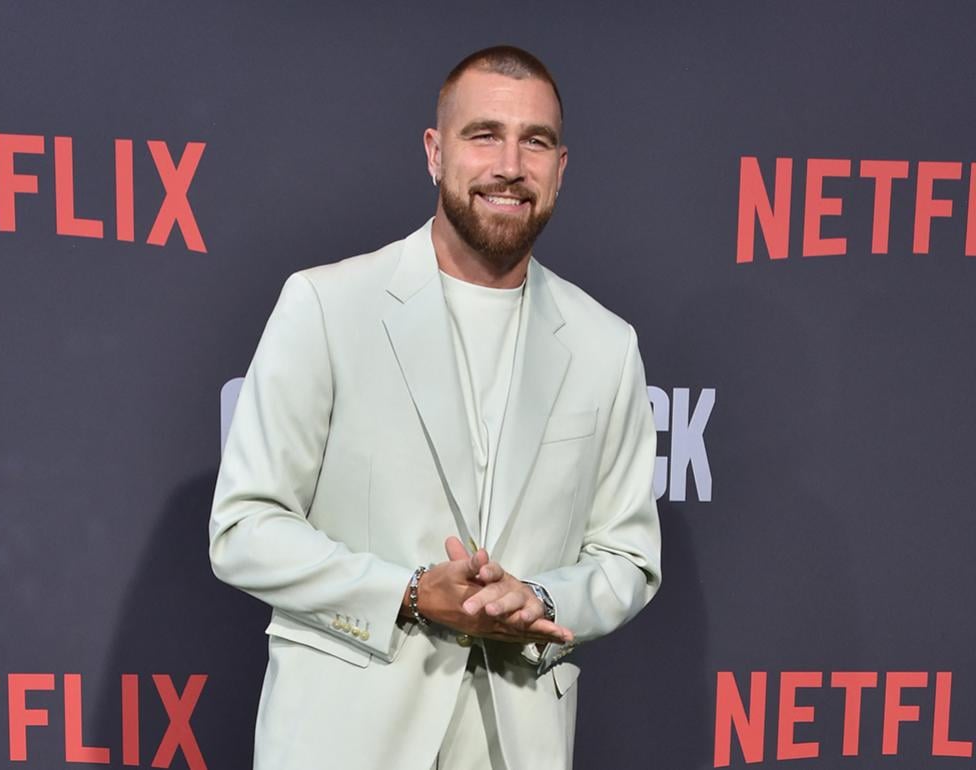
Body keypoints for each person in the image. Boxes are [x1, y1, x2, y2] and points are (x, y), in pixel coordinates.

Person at [209, 45, 661, 770]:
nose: (510, 164)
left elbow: (629, 559)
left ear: (561, 167)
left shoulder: (607, 344)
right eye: (483, 135)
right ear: (434, 151)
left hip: (518, 745)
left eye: (534, 141)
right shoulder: (327, 306)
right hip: (345, 743)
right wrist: (410, 593)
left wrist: (540, 598)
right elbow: (244, 527)